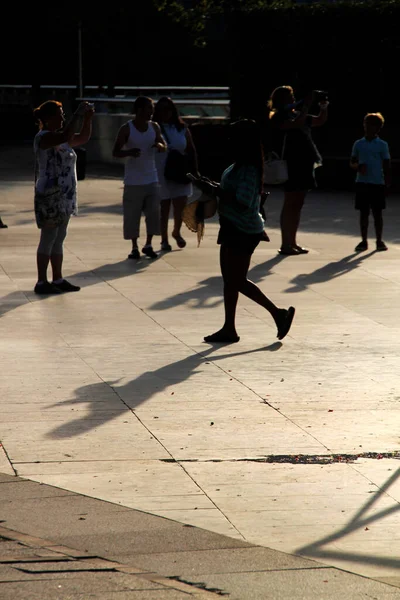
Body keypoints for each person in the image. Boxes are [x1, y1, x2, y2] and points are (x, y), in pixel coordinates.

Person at [190, 119, 295, 344]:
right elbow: (233, 193)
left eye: (234, 137)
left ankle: (278, 313)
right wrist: (212, 187)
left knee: (236, 280)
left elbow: (243, 202)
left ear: (243, 142)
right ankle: (229, 328)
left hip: (243, 229)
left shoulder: (248, 169)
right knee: (230, 280)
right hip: (232, 226)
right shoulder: (237, 166)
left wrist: (216, 191)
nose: (230, 141)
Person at [33, 99, 94, 294]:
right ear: (49, 118)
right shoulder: (43, 137)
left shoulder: (62, 138)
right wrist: (77, 114)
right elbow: (66, 134)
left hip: (65, 196)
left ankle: (57, 278)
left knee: (59, 237)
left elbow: (82, 137)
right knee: (48, 237)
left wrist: (87, 119)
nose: (63, 117)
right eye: (60, 114)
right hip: (49, 197)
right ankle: (42, 281)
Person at [268, 86, 328, 255]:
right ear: (281, 100)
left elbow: (318, 121)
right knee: (290, 203)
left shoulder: (295, 113)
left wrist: (323, 106)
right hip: (291, 163)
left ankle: (292, 242)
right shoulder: (278, 116)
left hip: (304, 162)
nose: (293, 100)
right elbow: (297, 124)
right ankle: (286, 244)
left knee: (298, 203)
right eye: (290, 97)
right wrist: (307, 105)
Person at [112, 96, 166, 259]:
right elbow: (116, 151)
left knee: (153, 213)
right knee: (132, 215)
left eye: (152, 109)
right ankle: (134, 246)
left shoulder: (154, 127)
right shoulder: (126, 128)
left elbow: (163, 145)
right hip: (133, 180)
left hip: (152, 178)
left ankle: (148, 244)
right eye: (149, 109)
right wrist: (129, 152)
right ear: (139, 110)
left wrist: (159, 145)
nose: (151, 112)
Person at [153, 96, 199, 251]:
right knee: (164, 206)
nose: (165, 113)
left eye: (168, 109)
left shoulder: (181, 128)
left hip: (180, 168)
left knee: (180, 205)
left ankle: (176, 231)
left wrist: (195, 169)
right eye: (162, 110)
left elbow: (191, 148)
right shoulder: (154, 127)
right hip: (162, 169)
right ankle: (164, 239)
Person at [350, 112, 391, 252]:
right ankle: (364, 240)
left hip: (377, 182)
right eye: (366, 124)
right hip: (362, 182)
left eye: (371, 125)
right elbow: (353, 161)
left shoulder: (382, 145)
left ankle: (379, 240)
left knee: (377, 213)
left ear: (378, 128)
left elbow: (386, 163)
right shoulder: (358, 143)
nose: (367, 127)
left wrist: (387, 181)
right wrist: (357, 167)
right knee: (363, 213)